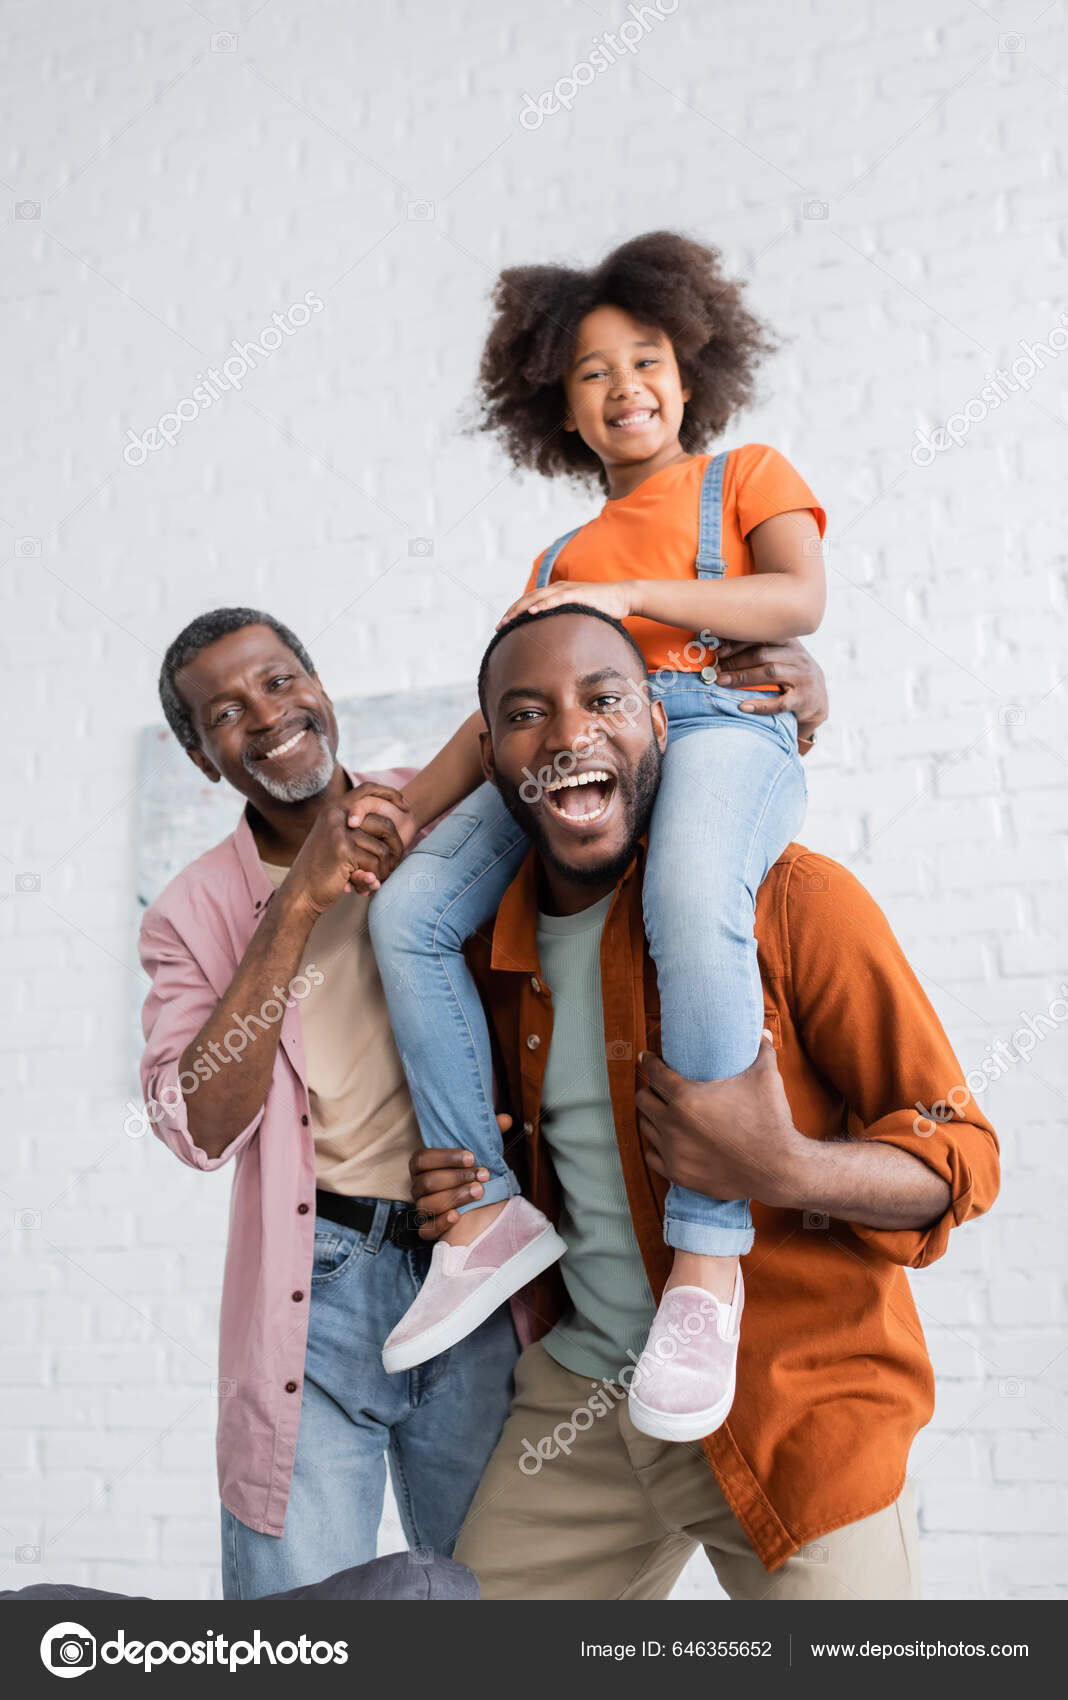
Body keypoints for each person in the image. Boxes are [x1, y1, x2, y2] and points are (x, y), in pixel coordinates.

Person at [406, 604, 999, 1600]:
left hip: (792, 1413)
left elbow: (964, 1156)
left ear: (663, 724)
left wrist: (782, 1168)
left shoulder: (795, 902)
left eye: (604, 698)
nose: (567, 733)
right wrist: (461, 1186)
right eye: (525, 713)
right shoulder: (478, 954)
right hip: (582, 1406)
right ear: (490, 754)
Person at [368, 231, 826, 1441]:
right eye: (591, 372)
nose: (625, 385)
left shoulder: (748, 477)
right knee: (408, 916)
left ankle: (709, 1257)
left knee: (687, 900)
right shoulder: (556, 558)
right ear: (559, 410)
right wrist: (398, 821)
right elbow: (499, 710)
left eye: (647, 358)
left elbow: (794, 601)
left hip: (724, 724)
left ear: (689, 373)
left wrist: (627, 601)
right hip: (587, 740)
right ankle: (490, 1213)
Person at [137, 607, 518, 1600]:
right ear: (199, 754)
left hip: (475, 1268)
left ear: (318, 682)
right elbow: (200, 1123)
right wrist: (299, 898)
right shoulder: (190, 911)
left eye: (277, 679)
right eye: (224, 712)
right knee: (299, 1630)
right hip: (318, 1291)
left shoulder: (435, 811)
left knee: (507, 1608)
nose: (266, 716)